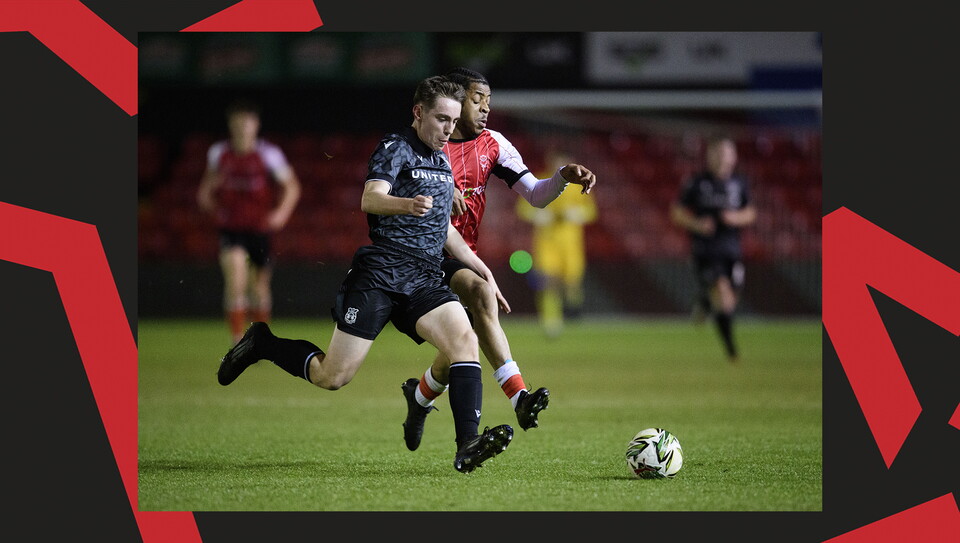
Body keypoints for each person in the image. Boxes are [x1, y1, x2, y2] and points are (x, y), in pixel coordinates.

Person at [217, 76, 515, 473]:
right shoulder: (395, 148)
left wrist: (483, 271)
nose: (447, 129)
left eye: (453, 121)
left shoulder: (441, 159)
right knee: (332, 376)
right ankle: (262, 343)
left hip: (425, 276)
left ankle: (468, 444)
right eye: (441, 119)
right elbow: (370, 198)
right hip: (380, 273)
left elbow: (445, 228)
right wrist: (405, 204)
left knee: (464, 340)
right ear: (418, 112)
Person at [400, 67, 598, 453]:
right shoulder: (424, 142)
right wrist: (437, 195)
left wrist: (562, 177)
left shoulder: (494, 144)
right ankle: (516, 397)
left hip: (461, 254)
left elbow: (536, 195)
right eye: (478, 100)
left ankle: (421, 396)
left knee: (465, 338)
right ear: (455, 101)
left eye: (489, 101)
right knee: (478, 300)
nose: (486, 108)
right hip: (417, 253)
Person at [196, 99, 301, 344]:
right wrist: (213, 206)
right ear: (231, 124)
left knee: (260, 287)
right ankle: (237, 341)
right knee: (236, 278)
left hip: (260, 229)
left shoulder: (268, 154)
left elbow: (292, 187)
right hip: (232, 229)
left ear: (256, 124)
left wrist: (281, 214)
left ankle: (260, 342)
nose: (243, 126)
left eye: (248, 121)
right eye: (238, 122)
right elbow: (206, 190)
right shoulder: (219, 153)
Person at [669, 134, 756, 363]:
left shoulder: (740, 183)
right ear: (709, 156)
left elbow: (750, 212)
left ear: (734, 157)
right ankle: (732, 352)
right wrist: (697, 224)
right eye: (716, 153)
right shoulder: (697, 183)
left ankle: (705, 303)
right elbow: (676, 212)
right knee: (723, 292)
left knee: (730, 299)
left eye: (726, 153)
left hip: (732, 250)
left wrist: (734, 218)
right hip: (706, 250)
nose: (721, 158)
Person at [516, 147, 597, 338]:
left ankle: (573, 312)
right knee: (548, 281)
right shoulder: (540, 180)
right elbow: (522, 209)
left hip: (570, 242)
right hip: (547, 241)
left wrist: (577, 214)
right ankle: (551, 321)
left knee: (571, 283)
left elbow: (591, 211)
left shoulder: (579, 185)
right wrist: (538, 215)